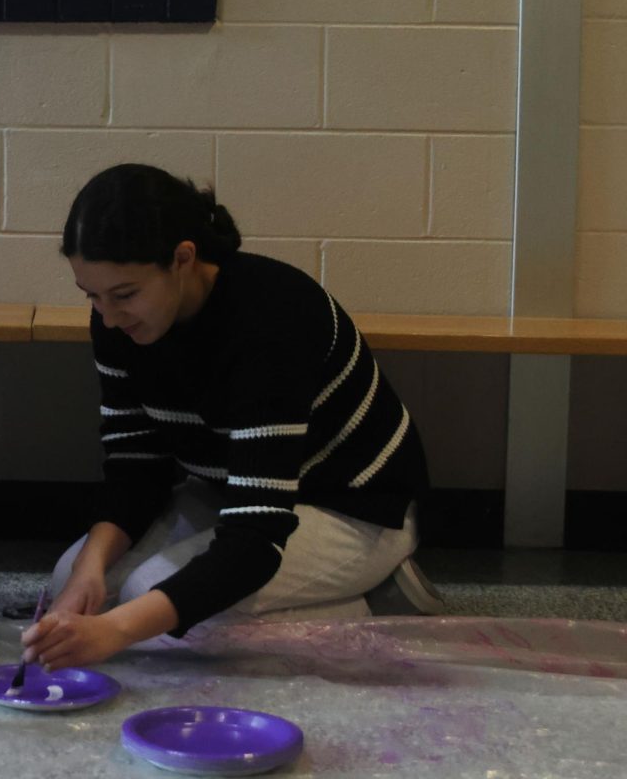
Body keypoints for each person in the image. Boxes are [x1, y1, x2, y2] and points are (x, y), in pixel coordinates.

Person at [22, 163, 439, 670]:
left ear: (183, 258)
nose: (108, 317)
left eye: (125, 294)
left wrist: (116, 630)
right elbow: (136, 466)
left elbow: (256, 539)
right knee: (74, 582)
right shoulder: (118, 321)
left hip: (352, 503)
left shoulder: (270, 320)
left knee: (150, 607)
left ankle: (371, 598)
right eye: (92, 295)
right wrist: (90, 566)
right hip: (236, 490)